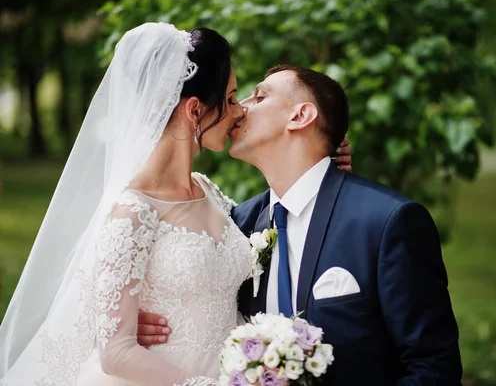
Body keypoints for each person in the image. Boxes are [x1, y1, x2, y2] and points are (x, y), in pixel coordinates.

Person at [0, 23, 352, 385]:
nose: (238, 112)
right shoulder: (132, 212)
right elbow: (116, 352)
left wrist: (319, 166)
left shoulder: (209, 192)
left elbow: (265, 222)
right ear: (195, 109)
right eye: (231, 99)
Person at [139, 65, 463, 385]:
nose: (237, 110)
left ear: (300, 116)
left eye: (259, 96)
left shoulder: (386, 223)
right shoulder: (236, 228)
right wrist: (143, 321)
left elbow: (433, 368)